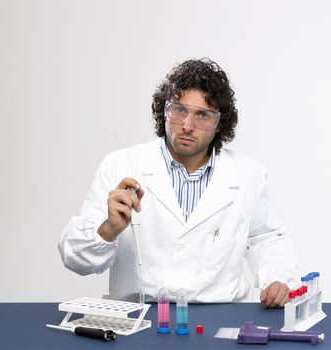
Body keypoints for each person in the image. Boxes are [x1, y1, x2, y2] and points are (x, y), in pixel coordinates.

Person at [59, 58, 298, 308]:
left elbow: (265, 238)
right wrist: (108, 229)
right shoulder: (121, 165)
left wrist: (278, 278)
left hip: (221, 316)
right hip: (140, 317)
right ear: (164, 111)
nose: (187, 126)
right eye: (179, 110)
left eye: (202, 115)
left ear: (219, 124)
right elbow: (74, 258)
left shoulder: (247, 174)